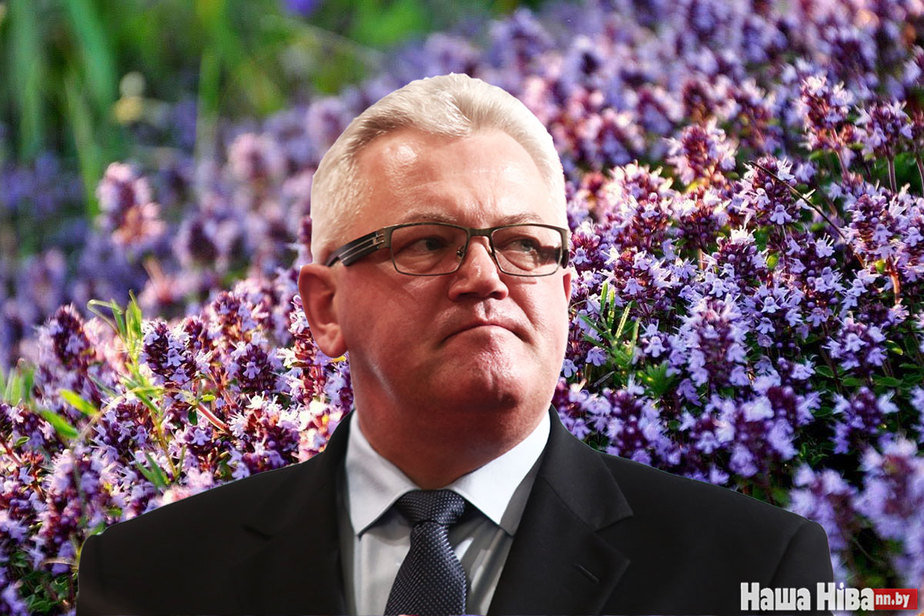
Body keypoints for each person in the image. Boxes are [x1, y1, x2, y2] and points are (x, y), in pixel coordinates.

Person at [76, 73, 833, 616]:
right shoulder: (146, 580)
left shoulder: (757, 569)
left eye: (526, 244)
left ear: (567, 293)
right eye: (428, 243)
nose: (486, 278)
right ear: (324, 309)